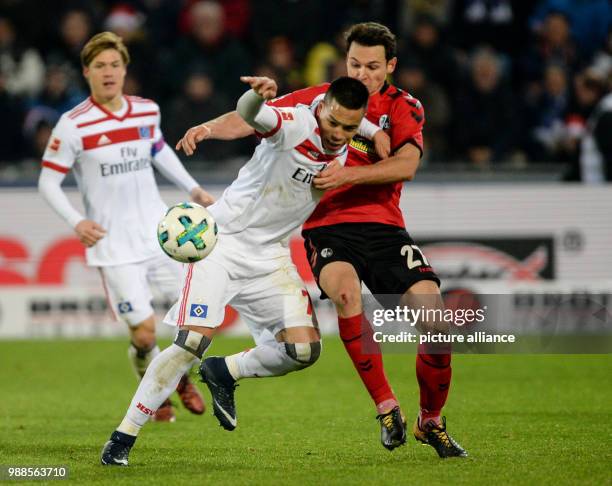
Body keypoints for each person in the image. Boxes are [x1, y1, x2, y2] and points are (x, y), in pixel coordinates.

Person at [176, 22, 467, 457]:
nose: (362, 74)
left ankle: (431, 420)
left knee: (437, 326)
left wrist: (349, 174)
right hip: (326, 226)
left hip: (384, 226)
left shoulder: (403, 107)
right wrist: (208, 128)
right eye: (354, 64)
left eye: (372, 66)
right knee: (346, 295)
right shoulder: (324, 98)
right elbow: (256, 117)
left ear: (390, 66)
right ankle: (386, 406)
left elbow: (406, 165)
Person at [100, 74, 369, 466]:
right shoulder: (295, 124)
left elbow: (377, 136)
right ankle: (123, 437)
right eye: (334, 123)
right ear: (322, 108)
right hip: (222, 243)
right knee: (191, 342)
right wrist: (252, 99)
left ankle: (224, 372)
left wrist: (376, 137)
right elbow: (253, 115)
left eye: (349, 127)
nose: (340, 134)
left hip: (270, 256)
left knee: (304, 350)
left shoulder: (350, 136)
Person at [38, 32, 211, 422]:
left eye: (115, 64)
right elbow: (47, 182)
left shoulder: (146, 110)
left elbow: (159, 150)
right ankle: (163, 384)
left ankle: (175, 376)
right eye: (100, 66)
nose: (109, 72)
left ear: (125, 69)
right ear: (87, 72)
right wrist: (76, 221)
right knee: (145, 335)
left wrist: (193, 188)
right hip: (113, 245)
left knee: (193, 317)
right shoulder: (73, 125)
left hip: (160, 235)